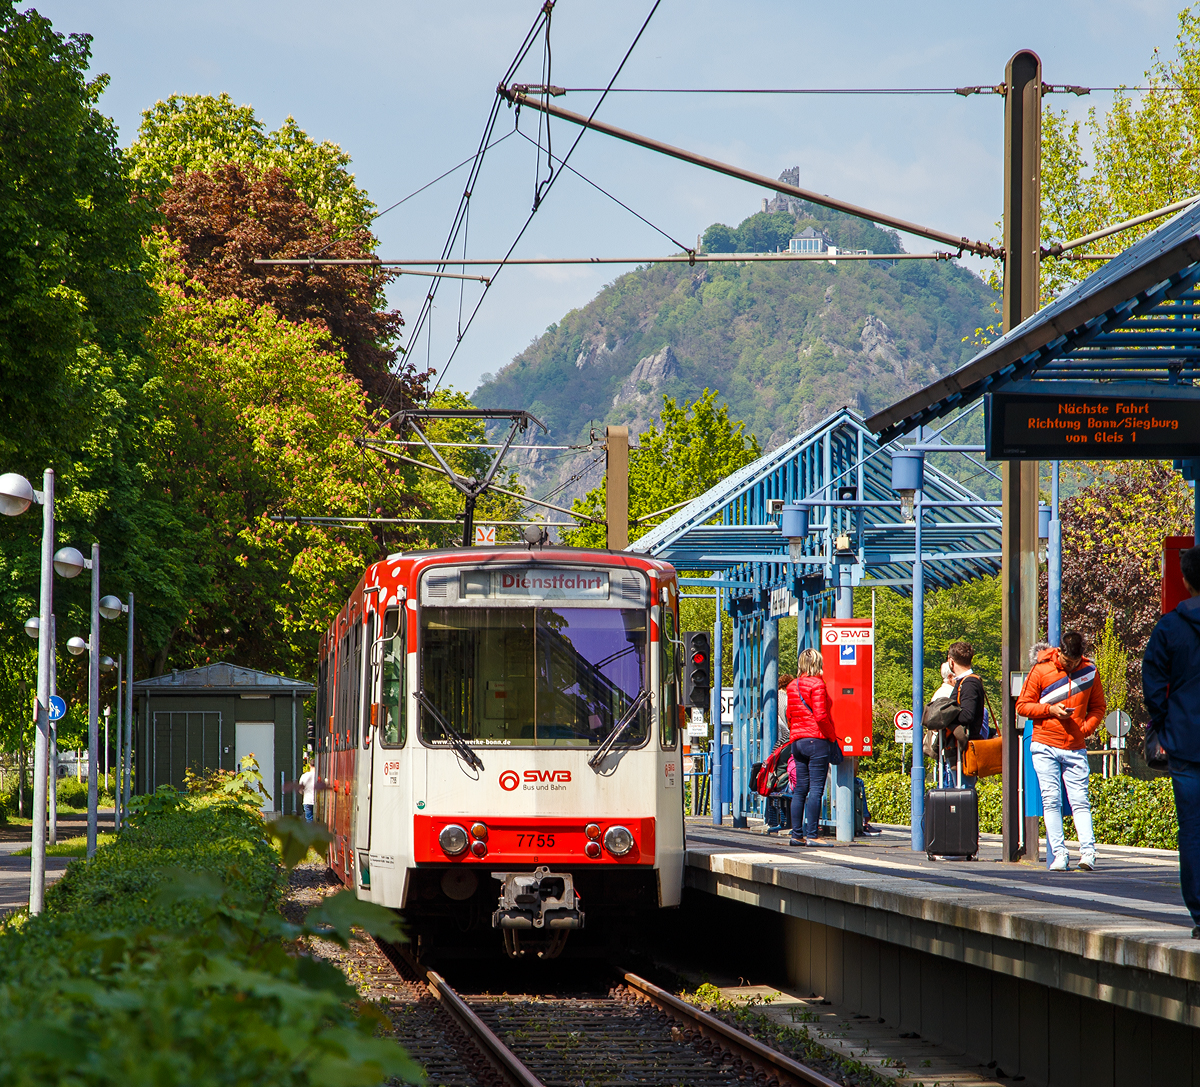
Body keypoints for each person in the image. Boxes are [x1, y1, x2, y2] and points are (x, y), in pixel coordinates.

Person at [1143, 545, 1200, 936]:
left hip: (1184, 742)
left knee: (1193, 829)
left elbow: (1152, 686)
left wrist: (1165, 724)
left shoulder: (1168, 627)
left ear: (1184, 580)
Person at [1017, 631, 1105, 872]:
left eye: (1075, 662)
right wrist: (1049, 710)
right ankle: (1060, 854)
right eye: (1067, 662)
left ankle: (1088, 853)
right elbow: (1022, 705)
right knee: (1051, 799)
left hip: (1075, 746)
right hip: (1044, 742)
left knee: (1080, 801)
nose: (1071, 666)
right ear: (1060, 652)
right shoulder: (1041, 669)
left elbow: (1098, 706)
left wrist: (1085, 729)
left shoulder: (1090, 671)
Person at [785, 648, 839, 847]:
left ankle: (796, 835)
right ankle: (813, 835)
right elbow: (821, 716)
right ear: (817, 664)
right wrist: (832, 737)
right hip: (816, 740)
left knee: (800, 789)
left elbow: (790, 714)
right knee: (816, 789)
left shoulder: (792, 685)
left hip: (797, 742)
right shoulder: (817, 684)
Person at [934, 642, 989, 789]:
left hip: (964, 754)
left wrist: (945, 718)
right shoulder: (965, 682)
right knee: (958, 797)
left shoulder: (969, 683)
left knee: (963, 795)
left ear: (951, 661)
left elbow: (967, 715)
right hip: (958, 753)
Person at [764, 674, 796, 833]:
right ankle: (789, 822)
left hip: (774, 747)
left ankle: (772, 819)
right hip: (785, 743)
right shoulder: (784, 699)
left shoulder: (770, 699)